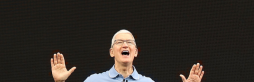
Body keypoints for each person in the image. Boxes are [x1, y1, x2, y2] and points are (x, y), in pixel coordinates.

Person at [50, 29, 204, 82]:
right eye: (119, 42)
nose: (125, 45)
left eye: (129, 42)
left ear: (135, 51)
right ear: (111, 52)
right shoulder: (93, 80)